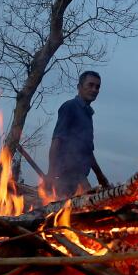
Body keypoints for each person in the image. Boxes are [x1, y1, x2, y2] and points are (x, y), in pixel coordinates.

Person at [46, 71, 110, 199]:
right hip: (65, 176)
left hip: (78, 177)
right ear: (79, 87)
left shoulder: (87, 114)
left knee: (90, 206)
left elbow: (87, 152)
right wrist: (51, 175)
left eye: (97, 87)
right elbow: (57, 140)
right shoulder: (70, 107)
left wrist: (100, 176)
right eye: (90, 85)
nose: (94, 90)